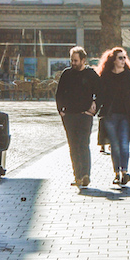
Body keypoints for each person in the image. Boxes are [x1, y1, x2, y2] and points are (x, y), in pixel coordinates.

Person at [96, 47, 130, 187]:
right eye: (120, 58)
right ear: (114, 60)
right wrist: (95, 108)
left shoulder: (129, 76)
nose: (123, 60)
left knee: (124, 144)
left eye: (124, 58)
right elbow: (100, 95)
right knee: (114, 145)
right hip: (110, 116)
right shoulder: (106, 76)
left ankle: (124, 171)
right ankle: (116, 173)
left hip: (125, 116)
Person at [55, 47, 99, 188]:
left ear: (83, 60)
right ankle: (77, 176)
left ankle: (85, 175)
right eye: (72, 60)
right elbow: (59, 93)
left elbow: (101, 91)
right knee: (73, 146)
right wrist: (60, 110)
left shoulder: (90, 74)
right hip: (69, 116)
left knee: (83, 144)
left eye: (76, 60)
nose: (73, 63)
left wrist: (95, 106)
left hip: (85, 115)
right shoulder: (66, 74)